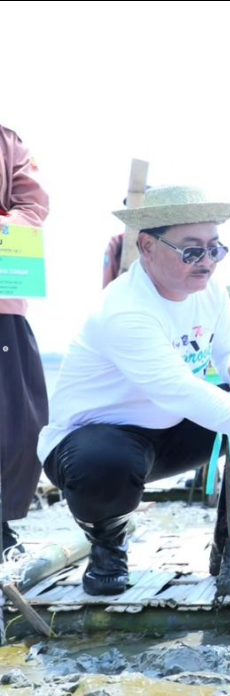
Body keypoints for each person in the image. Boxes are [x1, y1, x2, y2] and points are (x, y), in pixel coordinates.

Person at [39, 185, 230, 596]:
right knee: (104, 458)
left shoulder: (209, 289)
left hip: (172, 431)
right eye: (192, 250)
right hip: (97, 440)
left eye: (215, 249)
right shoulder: (126, 311)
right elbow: (182, 391)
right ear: (147, 246)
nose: (207, 262)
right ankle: (108, 547)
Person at [0, 124, 50, 557]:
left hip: (2, 300)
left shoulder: (8, 141)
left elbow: (33, 204)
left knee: (17, 420)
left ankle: (2, 522)